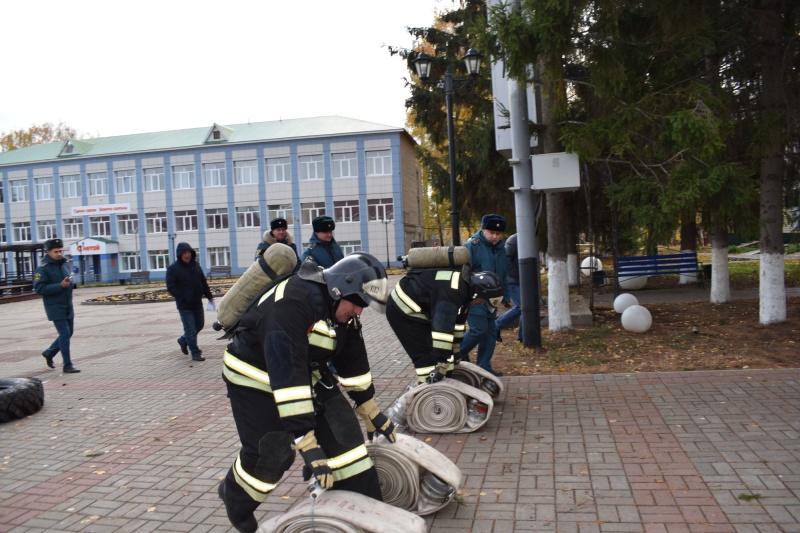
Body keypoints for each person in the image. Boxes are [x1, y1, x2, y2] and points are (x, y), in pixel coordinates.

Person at [217, 252, 395, 533]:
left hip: (303, 370)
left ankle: (369, 518)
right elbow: (287, 376)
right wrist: (307, 441)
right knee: (272, 451)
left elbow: (352, 359)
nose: (359, 311)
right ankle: (235, 496)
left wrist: (368, 407)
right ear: (338, 289)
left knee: (345, 434)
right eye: (358, 303)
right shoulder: (291, 303)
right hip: (253, 375)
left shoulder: (341, 311)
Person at [386, 267, 504, 384]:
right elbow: (442, 329)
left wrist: (456, 350)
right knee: (427, 357)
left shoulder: (466, 291)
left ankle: (446, 384)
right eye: (483, 301)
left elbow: (457, 324)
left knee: (448, 355)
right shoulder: (453, 293)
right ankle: (429, 392)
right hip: (402, 309)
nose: (481, 303)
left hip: (420, 310)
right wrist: (441, 364)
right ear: (477, 293)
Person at [459, 214, 510, 376]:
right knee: (478, 330)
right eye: (491, 232)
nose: (494, 236)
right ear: (483, 230)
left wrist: (506, 296)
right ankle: (453, 356)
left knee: (490, 333)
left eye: (498, 233)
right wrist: (467, 298)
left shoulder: (501, 248)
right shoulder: (471, 246)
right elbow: (464, 274)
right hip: (475, 298)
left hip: (493, 299)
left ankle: (484, 366)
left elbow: (503, 274)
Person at [34, 238, 81, 373]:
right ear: (48, 252)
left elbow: (68, 279)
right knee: (65, 334)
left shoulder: (64, 264)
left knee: (69, 332)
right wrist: (59, 286)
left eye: (60, 251)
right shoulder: (42, 269)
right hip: (54, 306)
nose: (59, 254)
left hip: (67, 305)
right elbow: (39, 289)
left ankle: (49, 353)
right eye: (56, 251)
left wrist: (71, 284)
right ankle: (67, 365)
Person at [166, 242, 214, 362]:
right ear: (179, 255)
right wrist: (183, 297)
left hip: (197, 303)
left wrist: (209, 296)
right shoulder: (173, 269)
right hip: (184, 305)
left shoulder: (196, 265)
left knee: (200, 325)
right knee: (190, 329)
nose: (187, 255)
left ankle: (183, 340)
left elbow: (203, 282)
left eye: (189, 252)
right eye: (184, 253)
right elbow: (171, 287)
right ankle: (196, 353)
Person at [495, 233, 522, 342]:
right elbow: (505, 258)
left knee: (526, 308)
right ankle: (496, 326)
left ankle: (523, 336)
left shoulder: (525, 238)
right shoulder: (515, 239)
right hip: (513, 281)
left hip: (521, 280)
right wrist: (514, 273)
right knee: (522, 307)